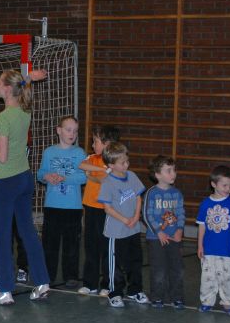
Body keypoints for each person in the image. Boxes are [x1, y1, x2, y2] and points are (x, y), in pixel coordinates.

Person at [0, 68, 51, 305]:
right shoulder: (24, 111)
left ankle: (4, 290)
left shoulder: (3, 118)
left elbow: (1, 157)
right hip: (24, 178)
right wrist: (29, 79)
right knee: (28, 231)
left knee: (2, 236)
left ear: (6, 88)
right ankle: (42, 282)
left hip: (7, 183)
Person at [37, 115, 87, 287]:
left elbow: (84, 177)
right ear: (59, 131)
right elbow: (40, 173)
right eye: (68, 130)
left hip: (73, 207)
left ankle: (71, 275)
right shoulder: (49, 152)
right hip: (52, 205)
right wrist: (47, 176)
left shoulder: (79, 153)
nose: (72, 134)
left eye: (75, 131)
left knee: (72, 243)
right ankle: (47, 274)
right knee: (50, 243)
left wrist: (65, 178)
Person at [97, 142, 147, 308]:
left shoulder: (131, 176)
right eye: (122, 162)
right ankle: (115, 292)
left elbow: (138, 197)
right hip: (116, 232)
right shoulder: (107, 182)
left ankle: (135, 290)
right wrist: (125, 220)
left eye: (127, 161)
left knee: (135, 261)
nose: (126, 164)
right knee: (115, 265)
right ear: (111, 165)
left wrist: (136, 216)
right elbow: (107, 208)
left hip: (133, 229)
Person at [196, 165, 230, 314]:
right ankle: (207, 301)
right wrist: (200, 245)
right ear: (214, 184)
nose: (228, 188)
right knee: (208, 278)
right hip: (209, 249)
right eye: (224, 185)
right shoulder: (205, 204)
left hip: (228, 249)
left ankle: (228, 302)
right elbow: (202, 226)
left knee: (228, 278)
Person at [78, 125, 120, 296]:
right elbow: (82, 165)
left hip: (107, 209)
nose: (92, 145)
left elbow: (106, 180)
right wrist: (101, 170)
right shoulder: (93, 158)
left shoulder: (116, 162)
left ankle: (107, 284)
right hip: (90, 207)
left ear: (107, 144)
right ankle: (90, 283)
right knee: (91, 246)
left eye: (95, 141)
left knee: (106, 247)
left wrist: (96, 175)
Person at [142, 155, 185, 308]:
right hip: (156, 239)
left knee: (177, 269)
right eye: (168, 171)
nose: (173, 173)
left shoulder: (177, 193)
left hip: (174, 238)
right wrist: (158, 232)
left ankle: (177, 297)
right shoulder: (151, 193)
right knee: (158, 269)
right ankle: (157, 296)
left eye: (174, 170)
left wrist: (179, 230)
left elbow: (181, 213)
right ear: (157, 174)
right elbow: (147, 215)